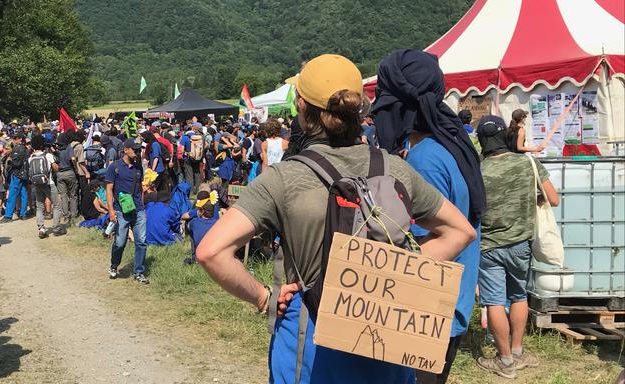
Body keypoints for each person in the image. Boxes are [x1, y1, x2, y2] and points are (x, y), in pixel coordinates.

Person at [195, 54, 476, 383]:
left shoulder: (284, 179)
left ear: (301, 106)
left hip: (310, 342)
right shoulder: (396, 168)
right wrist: (395, 273)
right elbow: (461, 231)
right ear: (360, 108)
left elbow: (210, 251)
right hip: (384, 334)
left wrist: (262, 297)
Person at [371, 48, 486, 384]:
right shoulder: (451, 145)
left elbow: (424, 245)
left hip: (427, 317)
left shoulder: (423, 161)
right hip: (453, 305)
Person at [475, 115, 558, 379]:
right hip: (521, 243)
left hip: (489, 246)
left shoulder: (478, 169)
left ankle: (506, 361)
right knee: (519, 295)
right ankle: (519, 352)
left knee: (494, 302)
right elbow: (553, 199)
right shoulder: (528, 163)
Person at [104, 138, 149, 284]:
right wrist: (111, 211)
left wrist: (142, 205)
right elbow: (109, 190)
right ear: (125, 150)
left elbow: (140, 187)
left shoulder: (138, 167)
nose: (138, 152)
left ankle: (139, 272)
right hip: (121, 211)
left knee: (141, 242)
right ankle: (114, 265)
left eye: (139, 149)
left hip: (138, 210)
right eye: (135, 149)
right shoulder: (114, 167)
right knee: (120, 242)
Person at [29, 135, 65, 238]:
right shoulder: (48, 156)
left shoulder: (31, 158)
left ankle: (41, 228)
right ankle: (56, 227)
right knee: (57, 205)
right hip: (49, 183)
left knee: (39, 206)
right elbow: (56, 169)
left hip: (37, 184)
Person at [181, 190, 218, 265]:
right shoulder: (216, 214)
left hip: (199, 257)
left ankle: (194, 254)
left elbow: (184, 217)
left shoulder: (194, 222)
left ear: (201, 210)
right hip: (214, 256)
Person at [0, 134, 28, 223]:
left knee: (12, 194)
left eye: (15, 138)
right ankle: (23, 214)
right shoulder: (25, 148)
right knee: (23, 194)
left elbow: (16, 163)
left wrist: (10, 161)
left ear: (19, 139)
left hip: (17, 174)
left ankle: (8, 216)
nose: (13, 140)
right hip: (24, 174)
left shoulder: (17, 148)